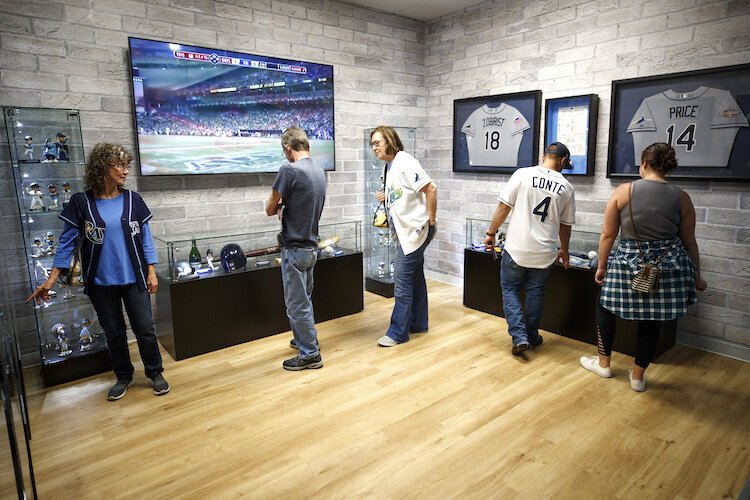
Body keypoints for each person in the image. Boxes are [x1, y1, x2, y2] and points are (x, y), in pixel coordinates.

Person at [28, 143, 169, 401]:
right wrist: (50, 280)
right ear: (102, 167)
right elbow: (66, 244)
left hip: (134, 279)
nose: (125, 171)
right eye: (120, 165)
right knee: (114, 332)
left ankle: (154, 372)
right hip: (101, 283)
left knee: (145, 329)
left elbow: (146, 239)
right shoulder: (81, 203)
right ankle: (124, 375)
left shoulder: (133, 200)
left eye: (127, 165)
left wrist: (151, 271)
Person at [580, 142, 707, 392]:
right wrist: (697, 275)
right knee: (652, 318)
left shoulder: (624, 191)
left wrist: (601, 267)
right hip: (667, 267)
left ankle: (604, 363)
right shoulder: (682, 197)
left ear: (645, 164)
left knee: (605, 308)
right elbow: (690, 242)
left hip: (627, 262)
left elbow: (608, 235)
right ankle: (638, 377)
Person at [484, 142, 576, 356]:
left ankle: (519, 338)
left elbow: (503, 206)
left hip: (517, 249)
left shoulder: (523, 175)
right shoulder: (567, 187)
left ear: (544, 156)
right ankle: (532, 336)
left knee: (510, 290)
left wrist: (491, 233)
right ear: (563, 161)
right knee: (536, 293)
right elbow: (565, 225)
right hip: (544, 253)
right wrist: (564, 250)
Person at [265, 126, 327, 371]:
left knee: (296, 304)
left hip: (294, 249)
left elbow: (270, 208)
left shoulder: (288, 169)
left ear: (288, 148)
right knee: (305, 300)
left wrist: (278, 206)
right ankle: (306, 338)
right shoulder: (320, 170)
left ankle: (310, 353)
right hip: (312, 247)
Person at [372, 126, 438, 347]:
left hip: (415, 232)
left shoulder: (405, 161)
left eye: (377, 143)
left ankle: (398, 332)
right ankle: (419, 323)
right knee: (415, 277)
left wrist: (431, 220)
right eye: (372, 144)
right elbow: (402, 193)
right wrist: (386, 198)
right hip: (404, 232)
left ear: (389, 140)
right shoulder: (389, 166)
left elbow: (431, 188)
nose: (374, 148)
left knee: (401, 280)